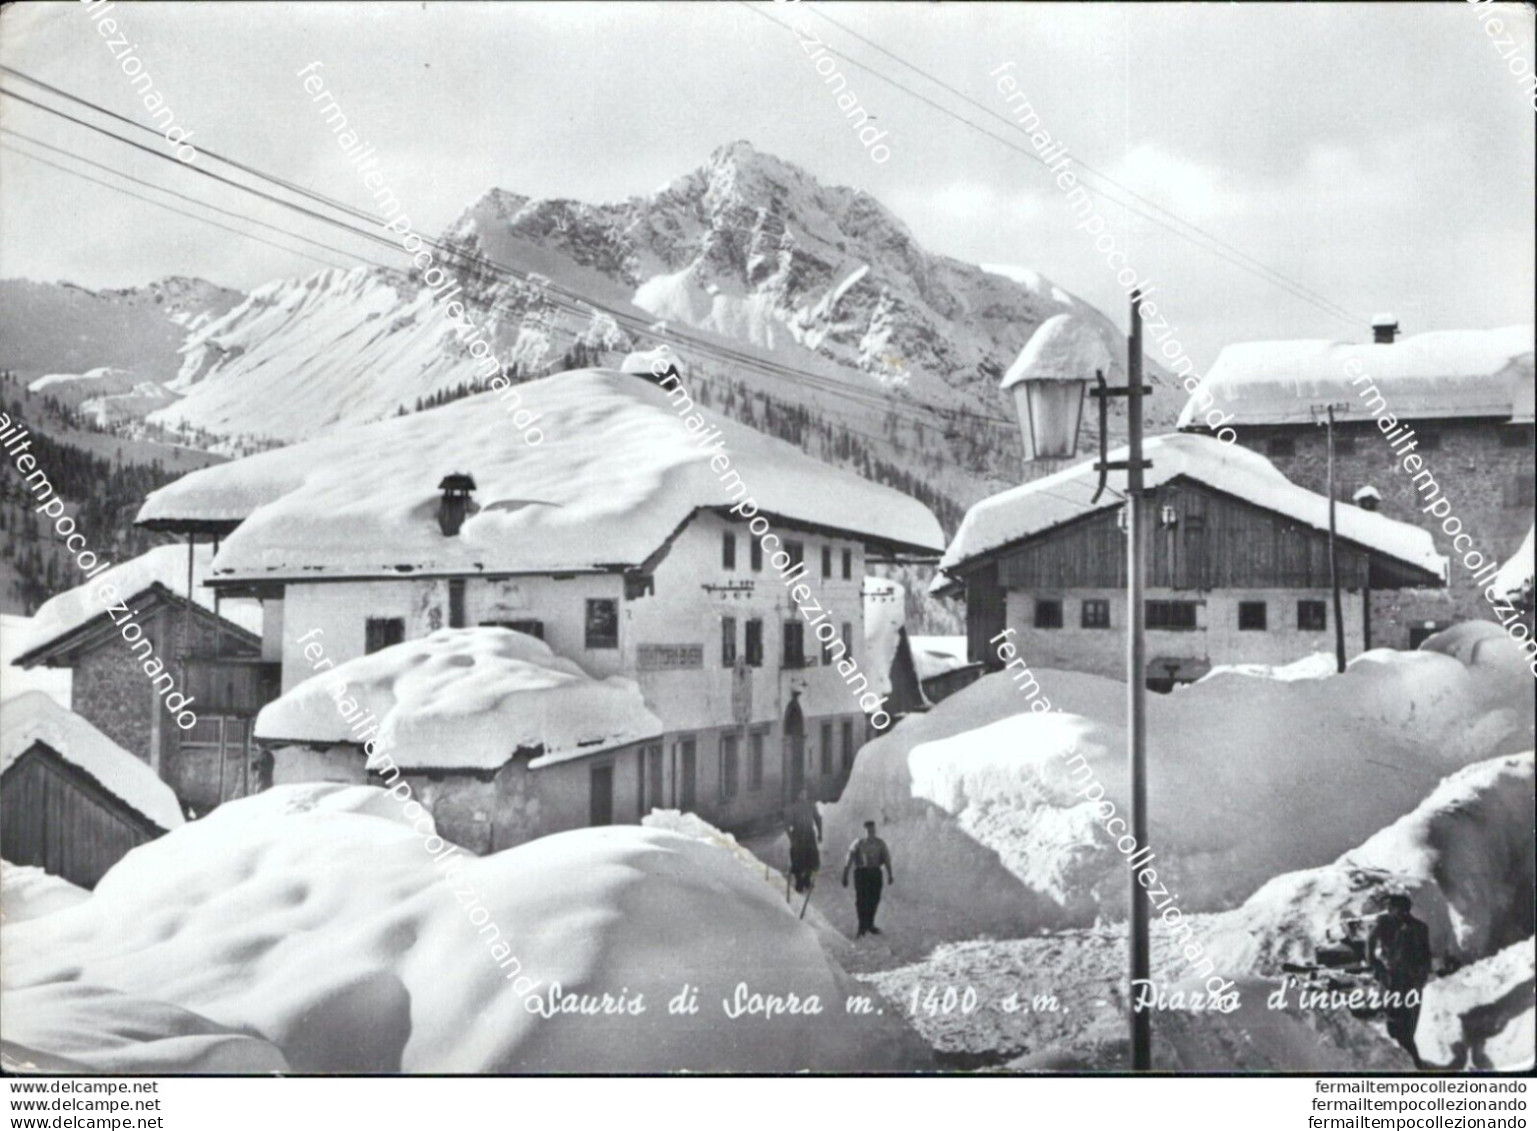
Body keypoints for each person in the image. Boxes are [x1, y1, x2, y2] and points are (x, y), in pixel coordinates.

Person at [1366, 893, 1432, 1067]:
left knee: (1408, 1025)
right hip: (1391, 980)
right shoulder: (1383, 924)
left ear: (1405, 909)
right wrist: (1379, 969)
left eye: (1395, 908)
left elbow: (1426, 956)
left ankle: (1411, 1063)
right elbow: (1369, 948)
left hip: (1410, 981)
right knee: (1394, 1023)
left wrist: (1421, 978)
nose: (1391, 911)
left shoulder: (1419, 927)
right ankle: (1408, 1063)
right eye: (1391, 908)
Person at [842, 819, 894, 938]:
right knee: (861, 900)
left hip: (875, 874)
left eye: (873, 831)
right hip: (862, 874)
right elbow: (849, 859)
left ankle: (870, 924)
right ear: (864, 831)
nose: (871, 833)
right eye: (869, 831)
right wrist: (845, 875)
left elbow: (887, 860)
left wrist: (890, 875)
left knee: (874, 899)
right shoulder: (858, 843)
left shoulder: (880, 843)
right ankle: (862, 927)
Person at [783, 787, 822, 894]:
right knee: (797, 860)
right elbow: (786, 825)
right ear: (797, 795)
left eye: (805, 793)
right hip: (798, 836)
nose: (804, 796)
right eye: (801, 794)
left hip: (809, 835)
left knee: (812, 858)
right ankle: (799, 881)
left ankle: (807, 880)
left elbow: (818, 819)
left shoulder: (811, 805)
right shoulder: (793, 808)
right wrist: (792, 838)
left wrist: (820, 834)